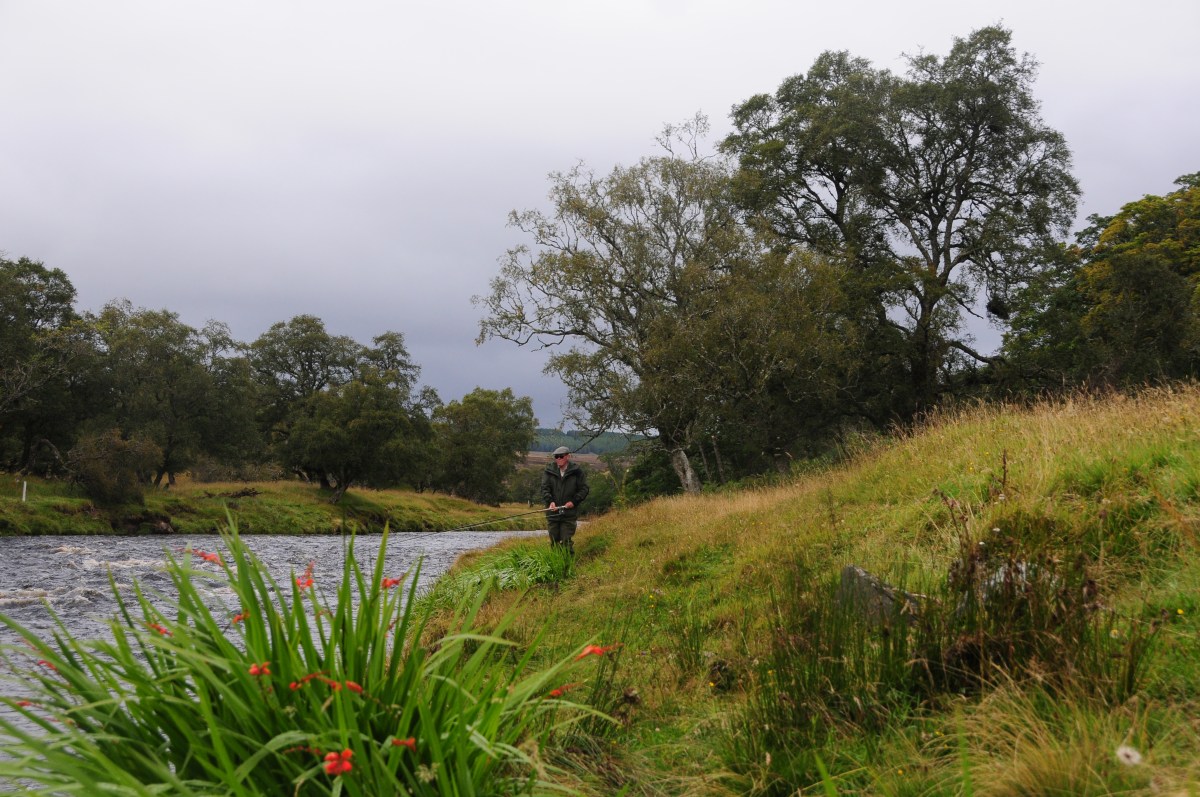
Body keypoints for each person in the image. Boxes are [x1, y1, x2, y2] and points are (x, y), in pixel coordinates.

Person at [541, 445, 589, 552]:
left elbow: (584, 489)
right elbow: (544, 488)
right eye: (556, 457)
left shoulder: (577, 471)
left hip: (569, 514)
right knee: (554, 541)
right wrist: (550, 502)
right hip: (552, 514)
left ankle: (568, 561)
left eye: (561, 456)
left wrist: (574, 502)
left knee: (566, 541)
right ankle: (555, 561)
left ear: (568, 456)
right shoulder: (549, 470)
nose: (558, 459)